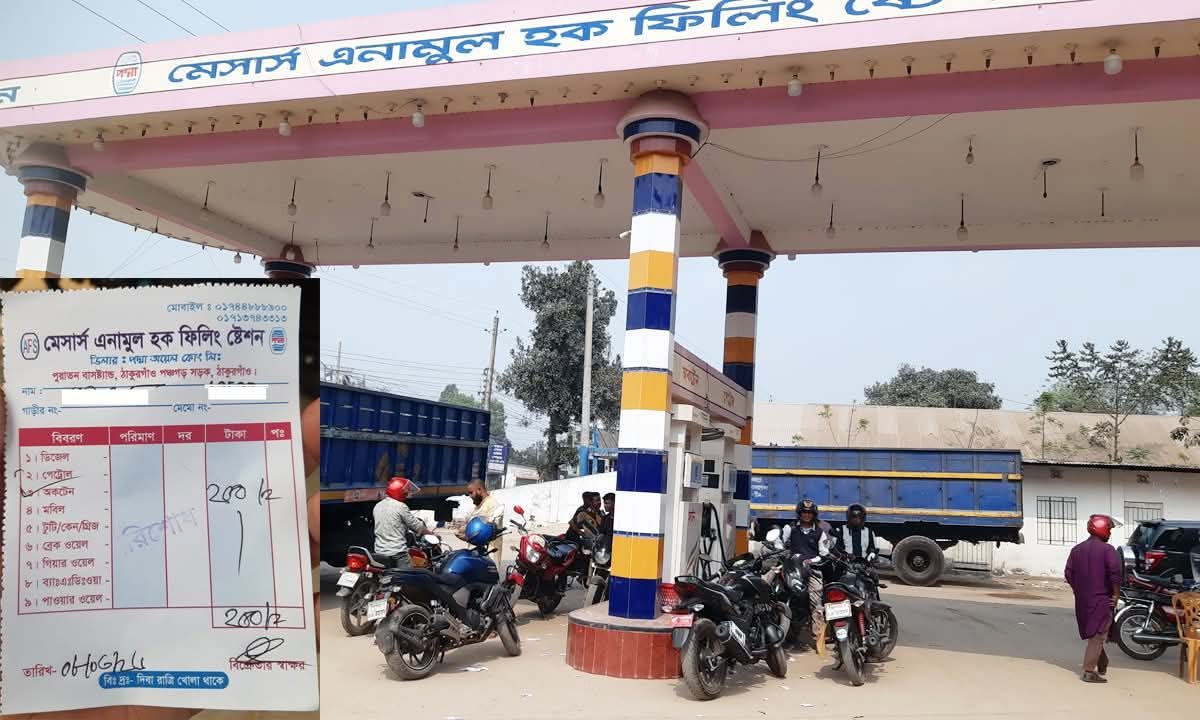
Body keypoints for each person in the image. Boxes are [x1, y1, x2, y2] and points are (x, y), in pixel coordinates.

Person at [1064, 514, 1122, 683]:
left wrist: (1078, 589)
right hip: (1101, 598)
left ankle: (1101, 661)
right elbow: (1114, 573)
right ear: (1102, 529)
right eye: (1109, 529)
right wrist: (1116, 594)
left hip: (1082, 599)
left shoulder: (1076, 550)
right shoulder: (1108, 550)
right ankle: (1088, 671)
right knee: (1098, 633)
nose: (1110, 533)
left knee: (1094, 631)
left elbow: (1068, 573)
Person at [789, 498, 831, 649]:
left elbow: (823, 554)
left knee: (816, 600)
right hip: (793, 569)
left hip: (812, 570)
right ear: (799, 514)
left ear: (814, 515)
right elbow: (781, 544)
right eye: (804, 512)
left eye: (809, 513)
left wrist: (811, 561)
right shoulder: (791, 529)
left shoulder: (820, 533)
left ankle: (819, 637)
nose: (806, 515)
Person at [373, 476, 427, 568]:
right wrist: (431, 533)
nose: (406, 495)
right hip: (397, 552)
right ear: (399, 492)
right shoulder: (400, 506)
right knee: (407, 574)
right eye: (405, 493)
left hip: (379, 551)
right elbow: (416, 526)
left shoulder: (378, 506)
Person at [457, 478, 505, 560]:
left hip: (488, 554)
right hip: (476, 554)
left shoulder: (492, 505)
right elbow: (468, 523)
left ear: (479, 490)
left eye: (471, 493)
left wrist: (467, 537)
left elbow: (486, 531)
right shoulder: (477, 507)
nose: (470, 496)